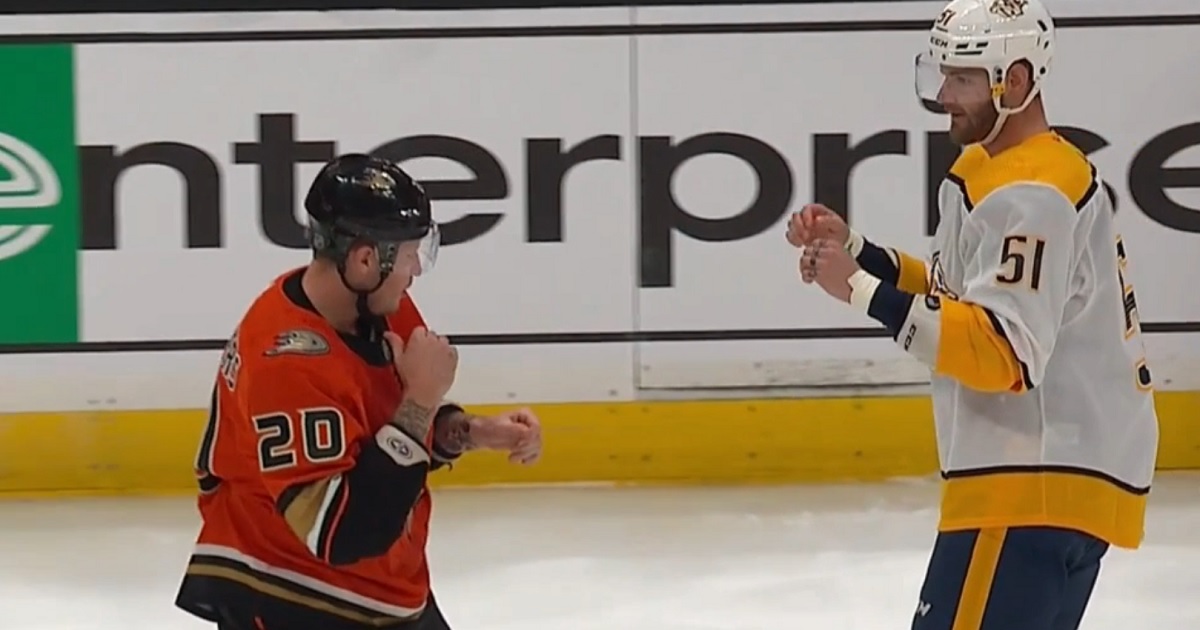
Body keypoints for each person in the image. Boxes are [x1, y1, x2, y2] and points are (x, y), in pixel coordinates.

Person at [787, 1, 1159, 629]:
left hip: (1029, 489)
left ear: (1014, 80)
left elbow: (1001, 352)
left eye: (961, 77)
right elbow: (959, 295)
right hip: (1049, 485)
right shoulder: (998, 168)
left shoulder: (1033, 192)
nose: (943, 96)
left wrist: (857, 291)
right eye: (942, 75)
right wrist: (859, 254)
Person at [175, 153, 543, 630]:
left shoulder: (381, 304)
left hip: (380, 592)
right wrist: (422, 401)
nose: (416, 269)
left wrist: (465, 431)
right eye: (411, 254)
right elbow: (342, 532)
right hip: (293, 594)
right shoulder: (285, 361)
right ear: (365, 258)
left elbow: (380, 428)